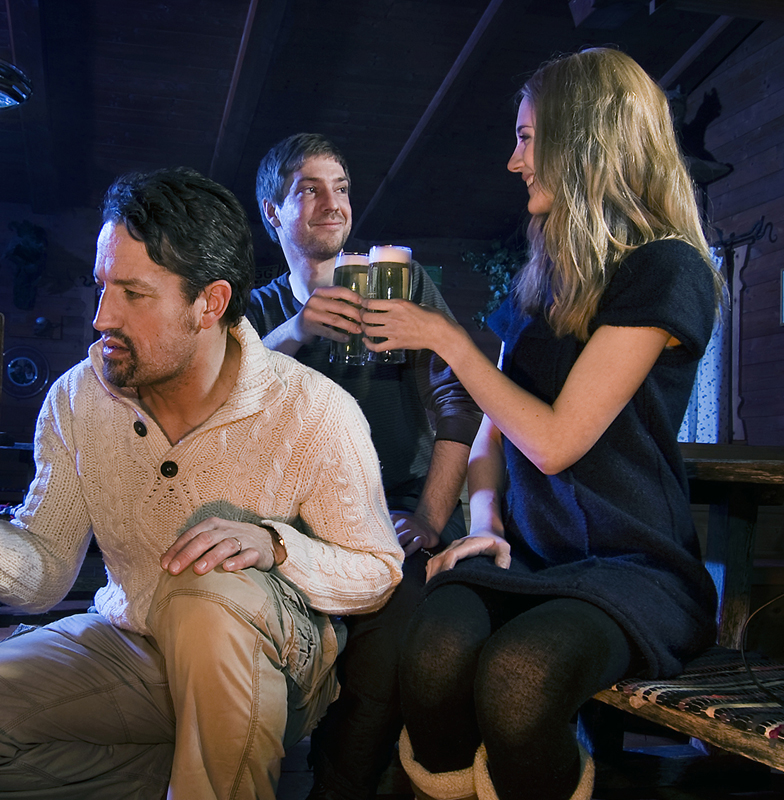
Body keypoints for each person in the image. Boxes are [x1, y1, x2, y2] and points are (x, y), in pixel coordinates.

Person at [359, 48, 725, 800]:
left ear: (581, 137)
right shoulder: (544, 277)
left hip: (633, 564)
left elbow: (555, 441)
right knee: (431, 655)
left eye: (527, 137)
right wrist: (485, 522)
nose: (513, 160)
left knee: (519, 679)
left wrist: (447, 339)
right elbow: (494, 426)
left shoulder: (667, 268)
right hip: (530, 556)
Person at [0, 166, 403, 800]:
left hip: (272, 664)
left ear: (209, 304)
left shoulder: (314, 410)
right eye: (102, 285)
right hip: (130, 644)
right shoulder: (77, 398)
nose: (102, 317)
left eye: (133, 293)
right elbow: (46, 568)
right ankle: (181, 775)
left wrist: (276, 545)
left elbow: (378, 570)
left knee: (206, 588)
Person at [248, 134, 482, 800]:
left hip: (394, 511)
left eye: (342, 188)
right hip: (293, 525)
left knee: (394, 628)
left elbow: (460, 398)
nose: (333, 203)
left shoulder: (399, 284)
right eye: (310, 189)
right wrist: (298, 330)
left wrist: (431, 516)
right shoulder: (258, 311)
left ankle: (339, 789)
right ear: (273, 213)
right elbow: (223, 398)